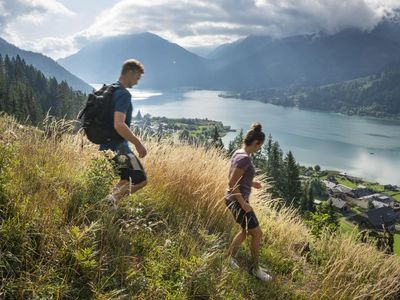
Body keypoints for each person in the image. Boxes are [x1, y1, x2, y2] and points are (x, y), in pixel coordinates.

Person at [225, 122, 272, 281]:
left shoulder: (238, 152)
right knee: (257, 234)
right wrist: (243, 203)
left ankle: (229, 257)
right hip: (238, 201)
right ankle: (255, 269)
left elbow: (236, 177)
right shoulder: (245, 159)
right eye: (260, 146)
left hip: (232, 199)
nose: (260, 149)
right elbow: (232, 183)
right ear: (256, 143)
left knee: (245, 232)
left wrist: (252, 183)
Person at [101, 59, 148, 206]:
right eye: (137, 77)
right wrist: (138, 144)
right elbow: (119, 124)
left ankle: (108, 204)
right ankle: (109, 203)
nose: (137, 82)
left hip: (105, 145)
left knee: (125, 179)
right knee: (141, 180)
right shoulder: (123, 94)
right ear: (129, 72)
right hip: (119, 146)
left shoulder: (110, 89)